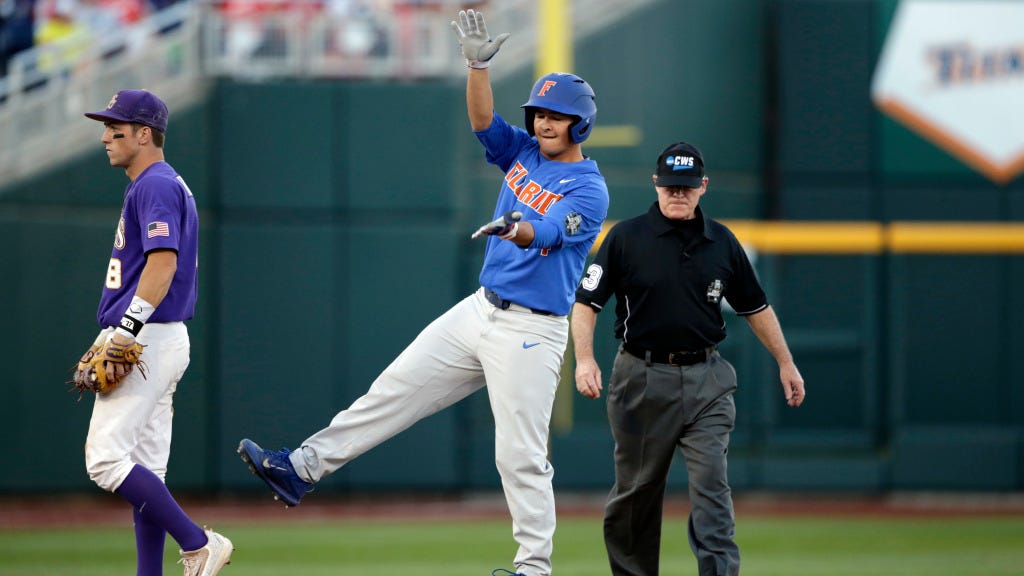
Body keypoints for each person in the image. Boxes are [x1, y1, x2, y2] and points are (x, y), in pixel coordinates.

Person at [237, 9, 608, 576]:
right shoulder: (526, 152)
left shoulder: (589, 187)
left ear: (580, 125)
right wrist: (478, 66)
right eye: (540, 115)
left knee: (520, 456)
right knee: (391, 391)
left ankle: (534, 568)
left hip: (533, 330)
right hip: (481, 309)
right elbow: (484, 123)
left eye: (558, 118)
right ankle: (301, 469)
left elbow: (554, 232)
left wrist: (517, 226)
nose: (544, 125)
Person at [572, 141, 806, 576]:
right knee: (636, 495)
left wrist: (785, 362)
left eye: (687, 186)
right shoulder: (625, 237)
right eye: (671, 186)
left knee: (712, 492)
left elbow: (756, 307)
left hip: (706, 379)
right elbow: (587, 302)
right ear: (656, 184)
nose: (678, 194)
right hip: (640, 378)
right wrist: (584, 360)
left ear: (703, 187)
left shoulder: (722, 241)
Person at [76, 89, 233, 576]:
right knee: (149, 472)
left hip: (147, 335)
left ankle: (198, 542)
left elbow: (163, 264)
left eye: (116, 129)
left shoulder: (156, 184)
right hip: (161, 337)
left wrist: (126, 329)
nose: (105, 137)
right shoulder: (157, 182)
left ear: (144, 134)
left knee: (105, 462)